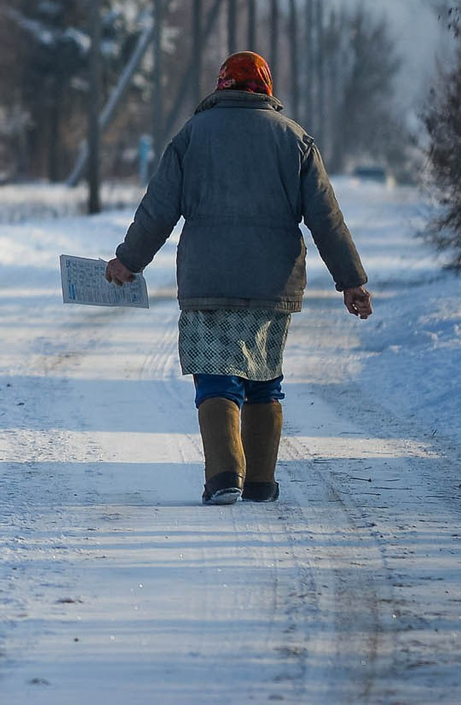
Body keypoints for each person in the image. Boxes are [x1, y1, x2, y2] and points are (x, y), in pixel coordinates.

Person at [105, 51, 371, 506]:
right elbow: (327, 219)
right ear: (266, 89)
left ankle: (225, 475)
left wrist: (129, 260)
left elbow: (158, 209)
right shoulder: (296, 141)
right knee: (265, 378)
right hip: (273, 283)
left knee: (215, 376)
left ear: (221, 86)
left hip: (208, 282)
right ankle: (262, 482)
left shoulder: (192, 137)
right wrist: (351, 281)